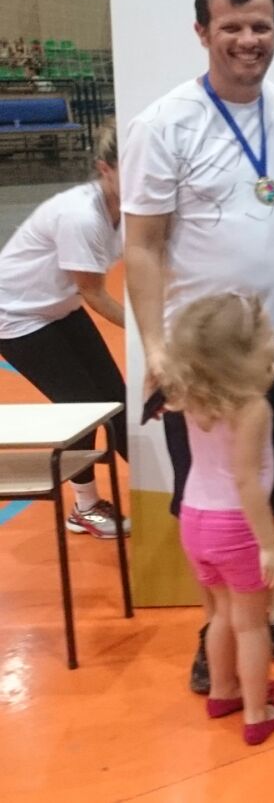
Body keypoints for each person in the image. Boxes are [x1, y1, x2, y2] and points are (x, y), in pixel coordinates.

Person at [122, 0, 274, 692]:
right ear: (202, 31)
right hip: (203, 354)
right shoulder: (163, 124)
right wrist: (157, 349)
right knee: (210, 496)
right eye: (232, 26)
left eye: (260, 26)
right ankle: (218, 627)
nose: (248, 40)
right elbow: (142, 246)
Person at [164, 293, 274, 745]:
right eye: (268, 334)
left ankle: (223, 690)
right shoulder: (252, 408)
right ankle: (257, 711)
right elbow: (246, 480)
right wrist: (270, 544)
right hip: (236, 526)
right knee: (251, 624)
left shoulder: (191, 396)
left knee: (220, 613)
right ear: (245, 354)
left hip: (195, 519)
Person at [0, 123, 130, 538]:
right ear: (105, 169)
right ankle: (85, 508)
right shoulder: (80, 216)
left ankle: (169, 491)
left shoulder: (128, 211)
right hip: (18, 316)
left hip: (60, 306)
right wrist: (154, 333)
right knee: (82, 407)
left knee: (117, 399)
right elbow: (94, 293)